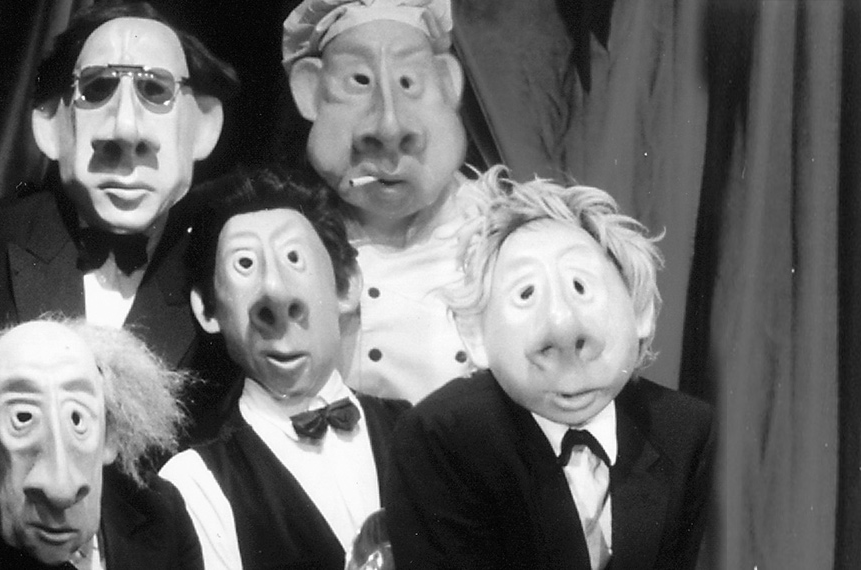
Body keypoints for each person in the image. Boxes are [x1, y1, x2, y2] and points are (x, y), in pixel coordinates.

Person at [0, 1, 241, 449]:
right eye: (97, 88)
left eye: (156, 90)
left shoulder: (219, 271)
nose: (125, 130)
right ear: (50, 125)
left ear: (204, 128)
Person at [383, 168, 716, 569]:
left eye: (581, 286)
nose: (562, 326)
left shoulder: (684, 428)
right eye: (526, 293)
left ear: (640, 310)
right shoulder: (441, 439)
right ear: (476, 336)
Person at [159, 167, 411, 570]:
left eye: (294, 258)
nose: (274, 293)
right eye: (244, 264)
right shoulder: (194, 483)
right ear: (208, 309)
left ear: (346, 285)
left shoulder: (418, 433)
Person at [281, 0, 488, 402]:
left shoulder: (500, 235)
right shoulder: (296, 242)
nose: (390, 126)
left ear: (448, 84)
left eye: (409, 82)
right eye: (359, 81)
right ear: (309, 91)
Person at [0, 316, 201, 569]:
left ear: (110, 436)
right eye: (23, 417)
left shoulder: (162, 514)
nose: (61, 489)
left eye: (77, 419)